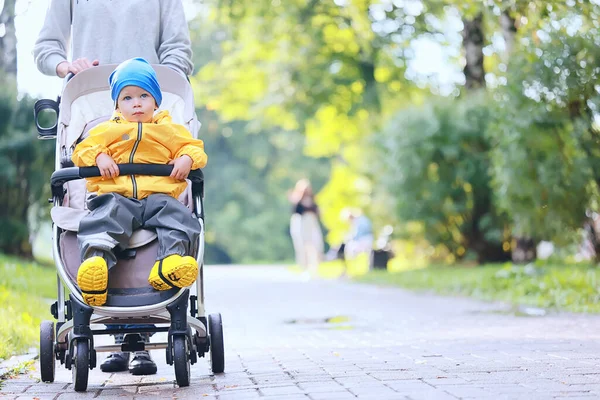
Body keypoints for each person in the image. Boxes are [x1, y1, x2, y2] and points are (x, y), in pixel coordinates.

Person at [34, 0, 194, 375]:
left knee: (171, 215)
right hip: (93, 108)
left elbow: (178, 52)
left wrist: (150, 88)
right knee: (106, 212)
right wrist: (67, 67)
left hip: (154, 124)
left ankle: (139, 336)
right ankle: (104, 306)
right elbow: (47, 48)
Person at [71, 58, 206, 373]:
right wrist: (100, 155)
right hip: (117, 195)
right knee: (103, 215)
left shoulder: (169, 129)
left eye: (144, 96)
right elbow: (81, 150)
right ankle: (96, 262)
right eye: (127, 98)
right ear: (117, 103)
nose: (136, 104)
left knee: (181, 218)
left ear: (156, 100)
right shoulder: (107, 130)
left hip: (158, 196)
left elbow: (195, 148)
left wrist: (186, 157)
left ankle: (169, 264)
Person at [288, 179, 324, 278]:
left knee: (315, 245)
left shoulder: (312, 199)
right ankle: (305, 268)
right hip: (302, 224)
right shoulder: (298, 200)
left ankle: (314, 268)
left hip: (312, 224)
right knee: (302, 246)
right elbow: (296, 211)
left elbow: (317, 211)